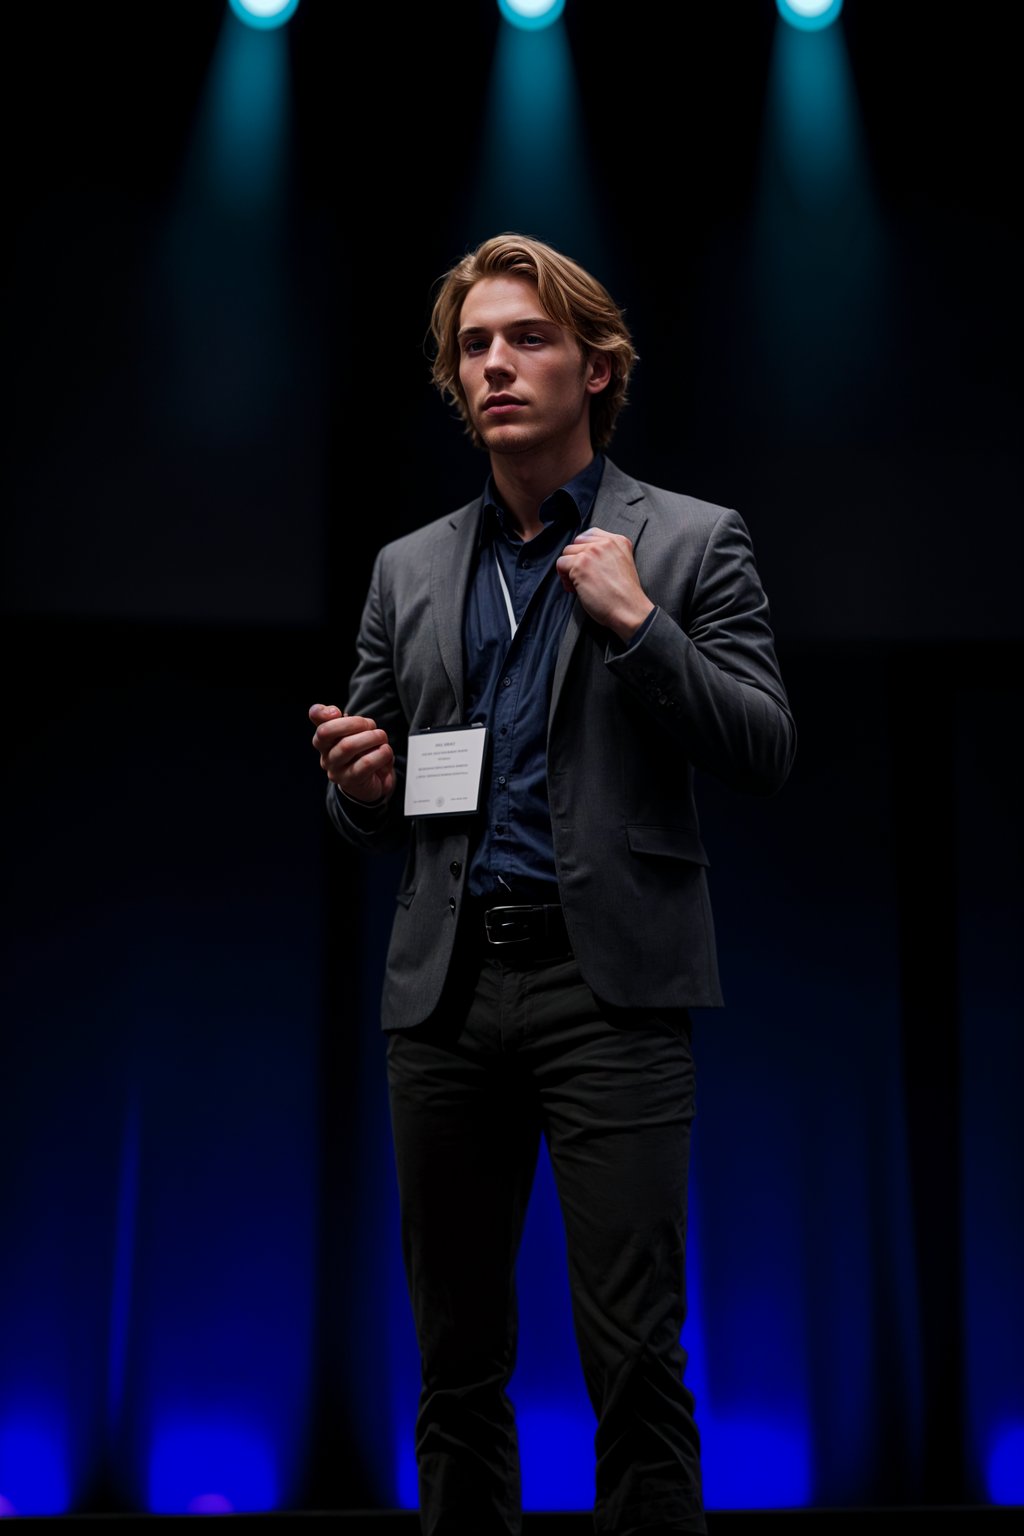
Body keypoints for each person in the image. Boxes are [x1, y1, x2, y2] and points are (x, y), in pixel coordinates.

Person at [309, 232, 796, 1536]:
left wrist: (642, 629)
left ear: (596, 364)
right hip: (449, 997)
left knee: (635, 1364)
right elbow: (375, 804)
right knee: (455, 1372)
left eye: (525, 338)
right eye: (475, 345)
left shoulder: (689, 543)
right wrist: (360, 788)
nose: (496, 365)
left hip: (611, 996)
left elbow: (763, 745)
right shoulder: (408, 571)